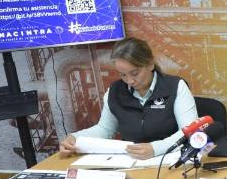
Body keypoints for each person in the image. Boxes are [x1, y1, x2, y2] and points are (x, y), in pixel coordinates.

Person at [59, 37, 199, 159]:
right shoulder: (115, 91)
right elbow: (104, 130)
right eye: (123, 75)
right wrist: (75, 138)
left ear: (150, 64)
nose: (130, 81)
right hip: (132, 162)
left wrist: (155, 149)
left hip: (170, 160)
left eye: (135, 73)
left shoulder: (175, 87)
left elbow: (189, 130)